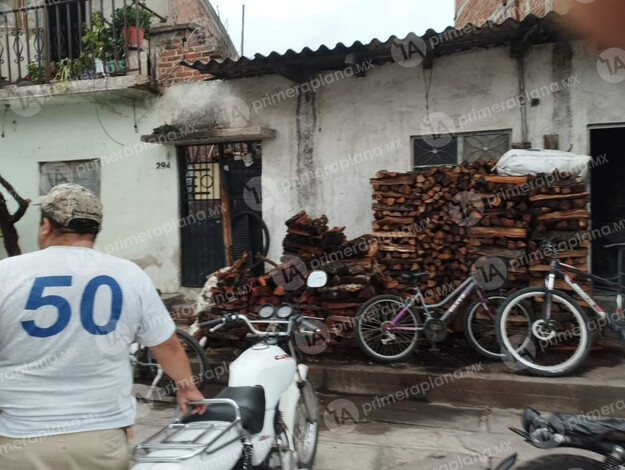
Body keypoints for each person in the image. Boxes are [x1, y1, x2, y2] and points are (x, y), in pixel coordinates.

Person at [0, 183, 206, 470]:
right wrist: (187, 387)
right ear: (95, 230)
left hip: (19, 439)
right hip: (102, 437)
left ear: (45, 225)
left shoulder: (6, 274)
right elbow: (167, 343)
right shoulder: (129, 275)